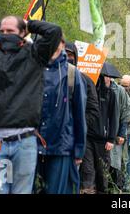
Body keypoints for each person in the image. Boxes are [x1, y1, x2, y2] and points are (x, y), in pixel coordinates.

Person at [0, 16, 62, 194]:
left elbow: (54, 31)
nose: (5, 35)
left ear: (23, 33)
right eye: (1, 32)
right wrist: (0, 23)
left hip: (24, 140)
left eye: (10, 31)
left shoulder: (36, 53)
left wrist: (29, 24)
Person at [35, 39, 87, 194]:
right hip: (34, 145)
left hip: (61, 146)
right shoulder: (33, 71)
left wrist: (79, 149)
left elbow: (79, 115)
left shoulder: (72, 74)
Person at [64, 42, 100, 194]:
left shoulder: (85, 80)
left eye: (71, 55)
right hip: (55, 137)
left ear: (76, 58)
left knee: (82, 174)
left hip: (79, 136)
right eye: (64, 54)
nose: (67, 58)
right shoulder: (50, 76)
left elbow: (93, 109)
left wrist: (78, 123)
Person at [82, 73, 118, 193]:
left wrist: (111, 139)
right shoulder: (85, 91)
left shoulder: (110, 94)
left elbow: (114, 117)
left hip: (103, 140)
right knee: (88, 170)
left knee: (102, 173)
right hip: (87, 137)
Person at [108, 75, 130, 193]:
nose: (124, 88)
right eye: (122, 85)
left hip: (127, 131)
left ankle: (123, 184)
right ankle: (116, 184)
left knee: (125, 158)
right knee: (116, 158)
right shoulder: (116, 91)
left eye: (126, 86)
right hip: (118, 130)